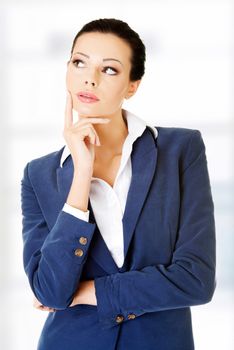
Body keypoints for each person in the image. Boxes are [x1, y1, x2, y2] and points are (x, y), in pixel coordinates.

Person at [21, 18, 216, 350]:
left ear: (132, 85)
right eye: (79, 62)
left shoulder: (180, 151)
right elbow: (50, 292)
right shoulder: (38, 175)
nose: (89, 78)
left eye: (109, 69)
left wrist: (86, 292)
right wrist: (82, 173)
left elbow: (196, 280)